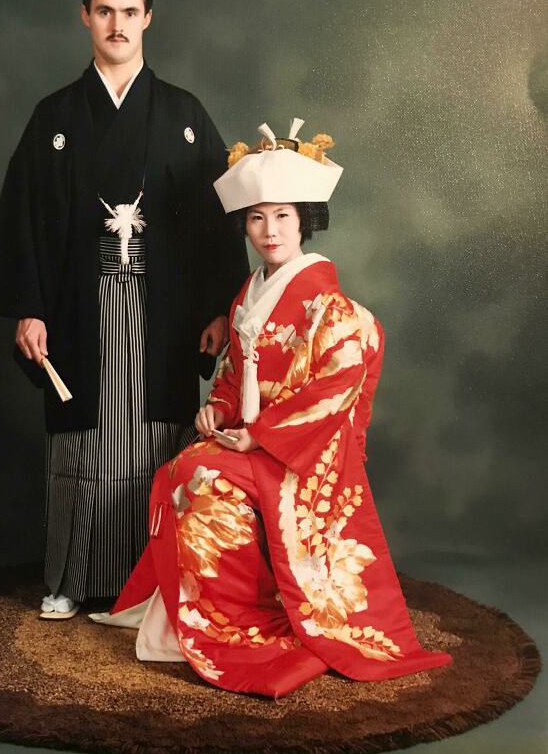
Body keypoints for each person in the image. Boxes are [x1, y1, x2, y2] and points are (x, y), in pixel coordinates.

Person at [91, 121, 452, 695]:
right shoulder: (251, 290)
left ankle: (233, 622)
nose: (270, 230)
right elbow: (236, 372)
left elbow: (338, 383)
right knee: (184, 468)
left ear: (304, 220)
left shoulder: (328, 304)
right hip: (257, 440)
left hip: (300, 455)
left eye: (283, 216)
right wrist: (218, 409)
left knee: (201, 474)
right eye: (257, 218)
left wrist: (259, 437)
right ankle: (202, 618)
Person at [0, 0, 248, 619]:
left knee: (159, 438)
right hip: (78, 309)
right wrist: (30, 308)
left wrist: (217, 307)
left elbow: (216, 225)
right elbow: (25, 219)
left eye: (129, 11)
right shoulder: (55, 118)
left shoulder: (183, 114)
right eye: (104, 11)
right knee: (81, 440)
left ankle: (153, 583)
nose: (117, 24)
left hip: (165, 314)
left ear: (148, 17)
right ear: (85, 17)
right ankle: (70, 580)